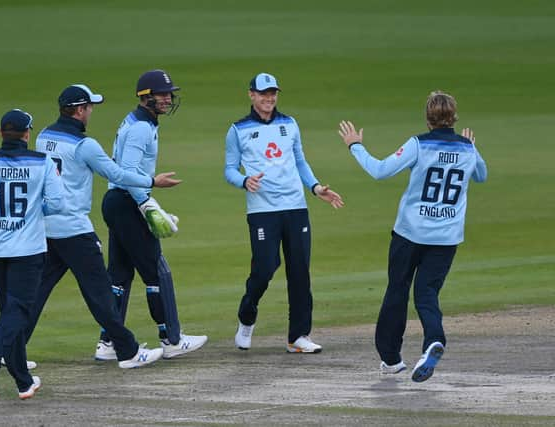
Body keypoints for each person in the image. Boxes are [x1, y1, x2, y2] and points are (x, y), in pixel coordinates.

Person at [24, 84, 181, 369]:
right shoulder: (85, 145)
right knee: (101, 295)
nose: (91, 112)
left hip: (46, 227)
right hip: (74, 229)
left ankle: (11, 349)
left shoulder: (44, 137)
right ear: (81, 110)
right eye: (90, 107)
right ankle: (127, 351)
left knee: (36, 291)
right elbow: (117, 173)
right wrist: (152, 182)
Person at [338, 90, 487, 382]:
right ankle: (433, 338)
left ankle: (391, 359)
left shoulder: (418, 144)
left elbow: (380, 171)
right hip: (446, 238)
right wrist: (471, 147)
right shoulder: (468, 149)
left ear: (428, 118)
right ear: (454, 117)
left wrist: (355, 146)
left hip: (410, 233)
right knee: (427, 294)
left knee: (397, 290)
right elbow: (481, 175)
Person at [224, 72, 344, 353]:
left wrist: (315, 188)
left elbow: (300, 161)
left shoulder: (290, 124)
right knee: (265, 268)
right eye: (263, 93)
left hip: (296, 206)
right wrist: (244, 180)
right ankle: (247, 315)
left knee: (300, 270)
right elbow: (229, 169)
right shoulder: (238, 130)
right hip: (263, 210)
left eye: (273, 93)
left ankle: (298, 337)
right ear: (251, 95)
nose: (269, 98)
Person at [94, 69, 207, 362]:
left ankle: (108, 343)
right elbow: (128, 174)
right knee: (156, 271)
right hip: (126, 202)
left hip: (119, 202)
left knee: (118, 276)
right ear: (146, 97)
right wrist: (148, 205)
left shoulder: (139, 121)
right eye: (162, 94)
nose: (168, 99)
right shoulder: (142, 128)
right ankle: (171, 339)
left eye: (169, 94)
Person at [0, 109, 64, 402]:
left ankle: (23, 380)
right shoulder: (41, 162)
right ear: (26, 134)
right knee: (19, 309)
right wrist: (33, 215)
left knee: (11, 312)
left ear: (0, 133)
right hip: (29, 248)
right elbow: (57, 203)